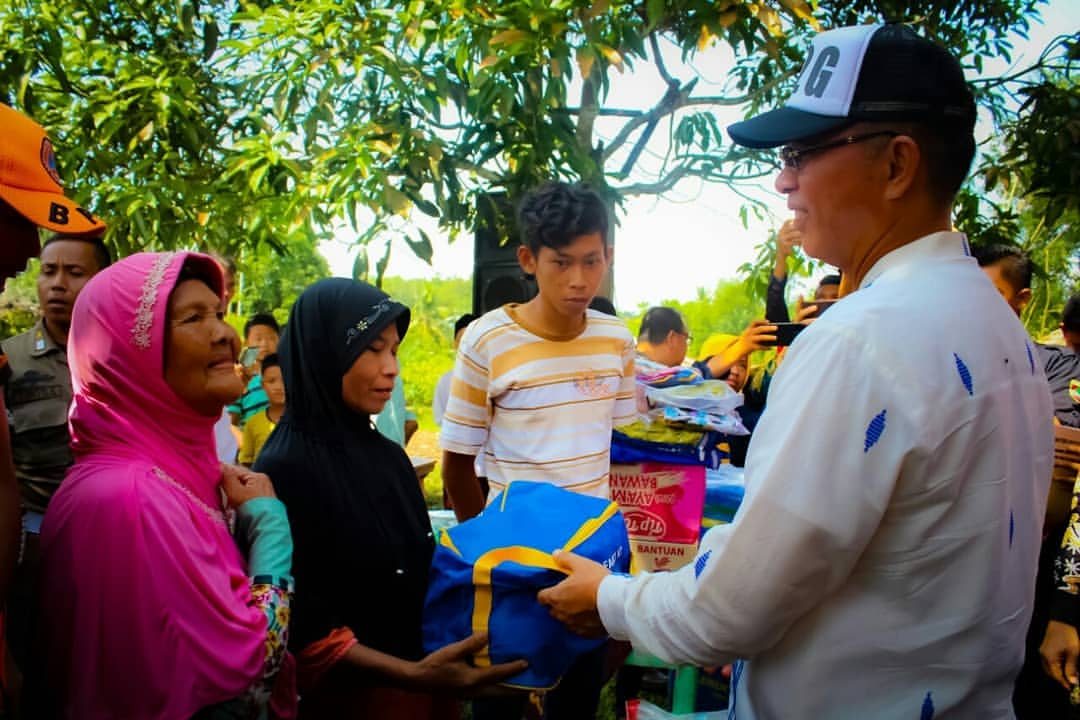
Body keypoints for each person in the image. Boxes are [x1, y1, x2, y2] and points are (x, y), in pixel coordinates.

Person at [539, 23, 1053, 719]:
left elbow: (730, 609)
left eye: (803, 153)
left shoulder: (861, 338)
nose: (782, 180)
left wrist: (606, 598)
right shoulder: (999, 329)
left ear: (897, 165)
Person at [39, 251, 296, 718]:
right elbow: (251, 673)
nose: (224, 333)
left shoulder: (177, 474)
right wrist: (271, 536)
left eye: (218, 313)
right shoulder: (130, 501)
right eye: (192, 318)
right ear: (129, 356)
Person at [253, 279, 524, 719]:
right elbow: (301, 626)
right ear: (324, 355)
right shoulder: (285, 469)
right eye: (372, 349)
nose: (392, 368)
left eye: (394, 350)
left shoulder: (387, 455)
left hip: (429, 683)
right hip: (358, 700)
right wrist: (412, 676)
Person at [440, 181, 636, 720]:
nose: (578, 280)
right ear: (528, 260)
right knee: (503, 700)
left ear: (608, 257)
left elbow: (620, 453)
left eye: (592, 261)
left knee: (575, 699)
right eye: (561, 262)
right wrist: (489, 554)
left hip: (589, 563)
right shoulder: (487, 341)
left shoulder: (617, 340)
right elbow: (457, 463)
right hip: (515, 570)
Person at [765, 219, 840, 323]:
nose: (825, 305)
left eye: (835, 299)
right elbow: (775, 319)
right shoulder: (802, 332)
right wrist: (781, 256)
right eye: (820, 300)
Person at [229, 312, 281, 428]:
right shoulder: (239, 379)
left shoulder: (289, 375)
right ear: (247, 343)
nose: (265, 344)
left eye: (271, 338)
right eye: (258, 339)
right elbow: (230, 424)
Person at [239, 354, 284, 467]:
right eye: (272, 381)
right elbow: (246, 463)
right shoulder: (253, 423)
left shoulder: (304, 421)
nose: (278, 387)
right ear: (263, 385)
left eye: (284, 380)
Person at [433, 313, 477, 427]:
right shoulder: (445, 381)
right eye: (462, 341)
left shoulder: (493, 379)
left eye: (473, 339)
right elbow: (439, 418)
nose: (468, 346)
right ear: (455, 344)